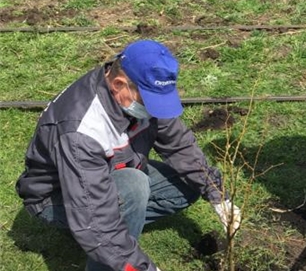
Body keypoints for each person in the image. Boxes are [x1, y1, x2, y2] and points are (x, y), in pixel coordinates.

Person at [16, 40, 241, 271]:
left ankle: (110, 234)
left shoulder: (140, 90)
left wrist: (217, 194)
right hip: (57, 196)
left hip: (111, 169)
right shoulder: (82, 131)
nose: (155, 109)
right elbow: (97, 219)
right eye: (150, 101)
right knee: (133, 188)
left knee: (189, 183)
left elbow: (179, 144)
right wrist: (140, 267)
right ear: (119, 84)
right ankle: (101, 249)